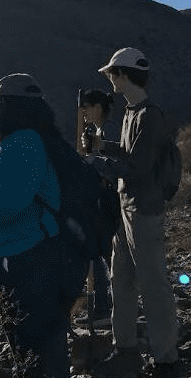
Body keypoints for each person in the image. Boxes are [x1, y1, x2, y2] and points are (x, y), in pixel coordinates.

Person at [0, 73, 88, 378]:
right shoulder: (39, 138)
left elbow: (7, 201)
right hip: (43, 252)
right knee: (47, 342)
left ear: (6, 107)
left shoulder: (21, 143)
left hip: (26, 257)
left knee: (31, 345)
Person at [91, 48, 182, 378]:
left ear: (122, 75)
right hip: (128, 209)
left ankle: (166, 360)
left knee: (153, 285)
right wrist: (105, 148)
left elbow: (137, 169)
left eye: (112, 74)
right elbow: (132, 155)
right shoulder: (134, 112)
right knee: (122, 282)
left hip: (143, 211)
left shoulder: (148, 116)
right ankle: (126, 350)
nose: (110, 80)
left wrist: (96, 162)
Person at [78, 89, 118, 326]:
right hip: (104, 201)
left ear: (98, 107)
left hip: (110, 201)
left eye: (87, 107)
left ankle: (109, 308)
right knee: (104, 254)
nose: (84, 113)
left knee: (107, 255)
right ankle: (108, 306)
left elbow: (116, 165)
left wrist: (93, 159)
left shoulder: (109, 131)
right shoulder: (100, 132)